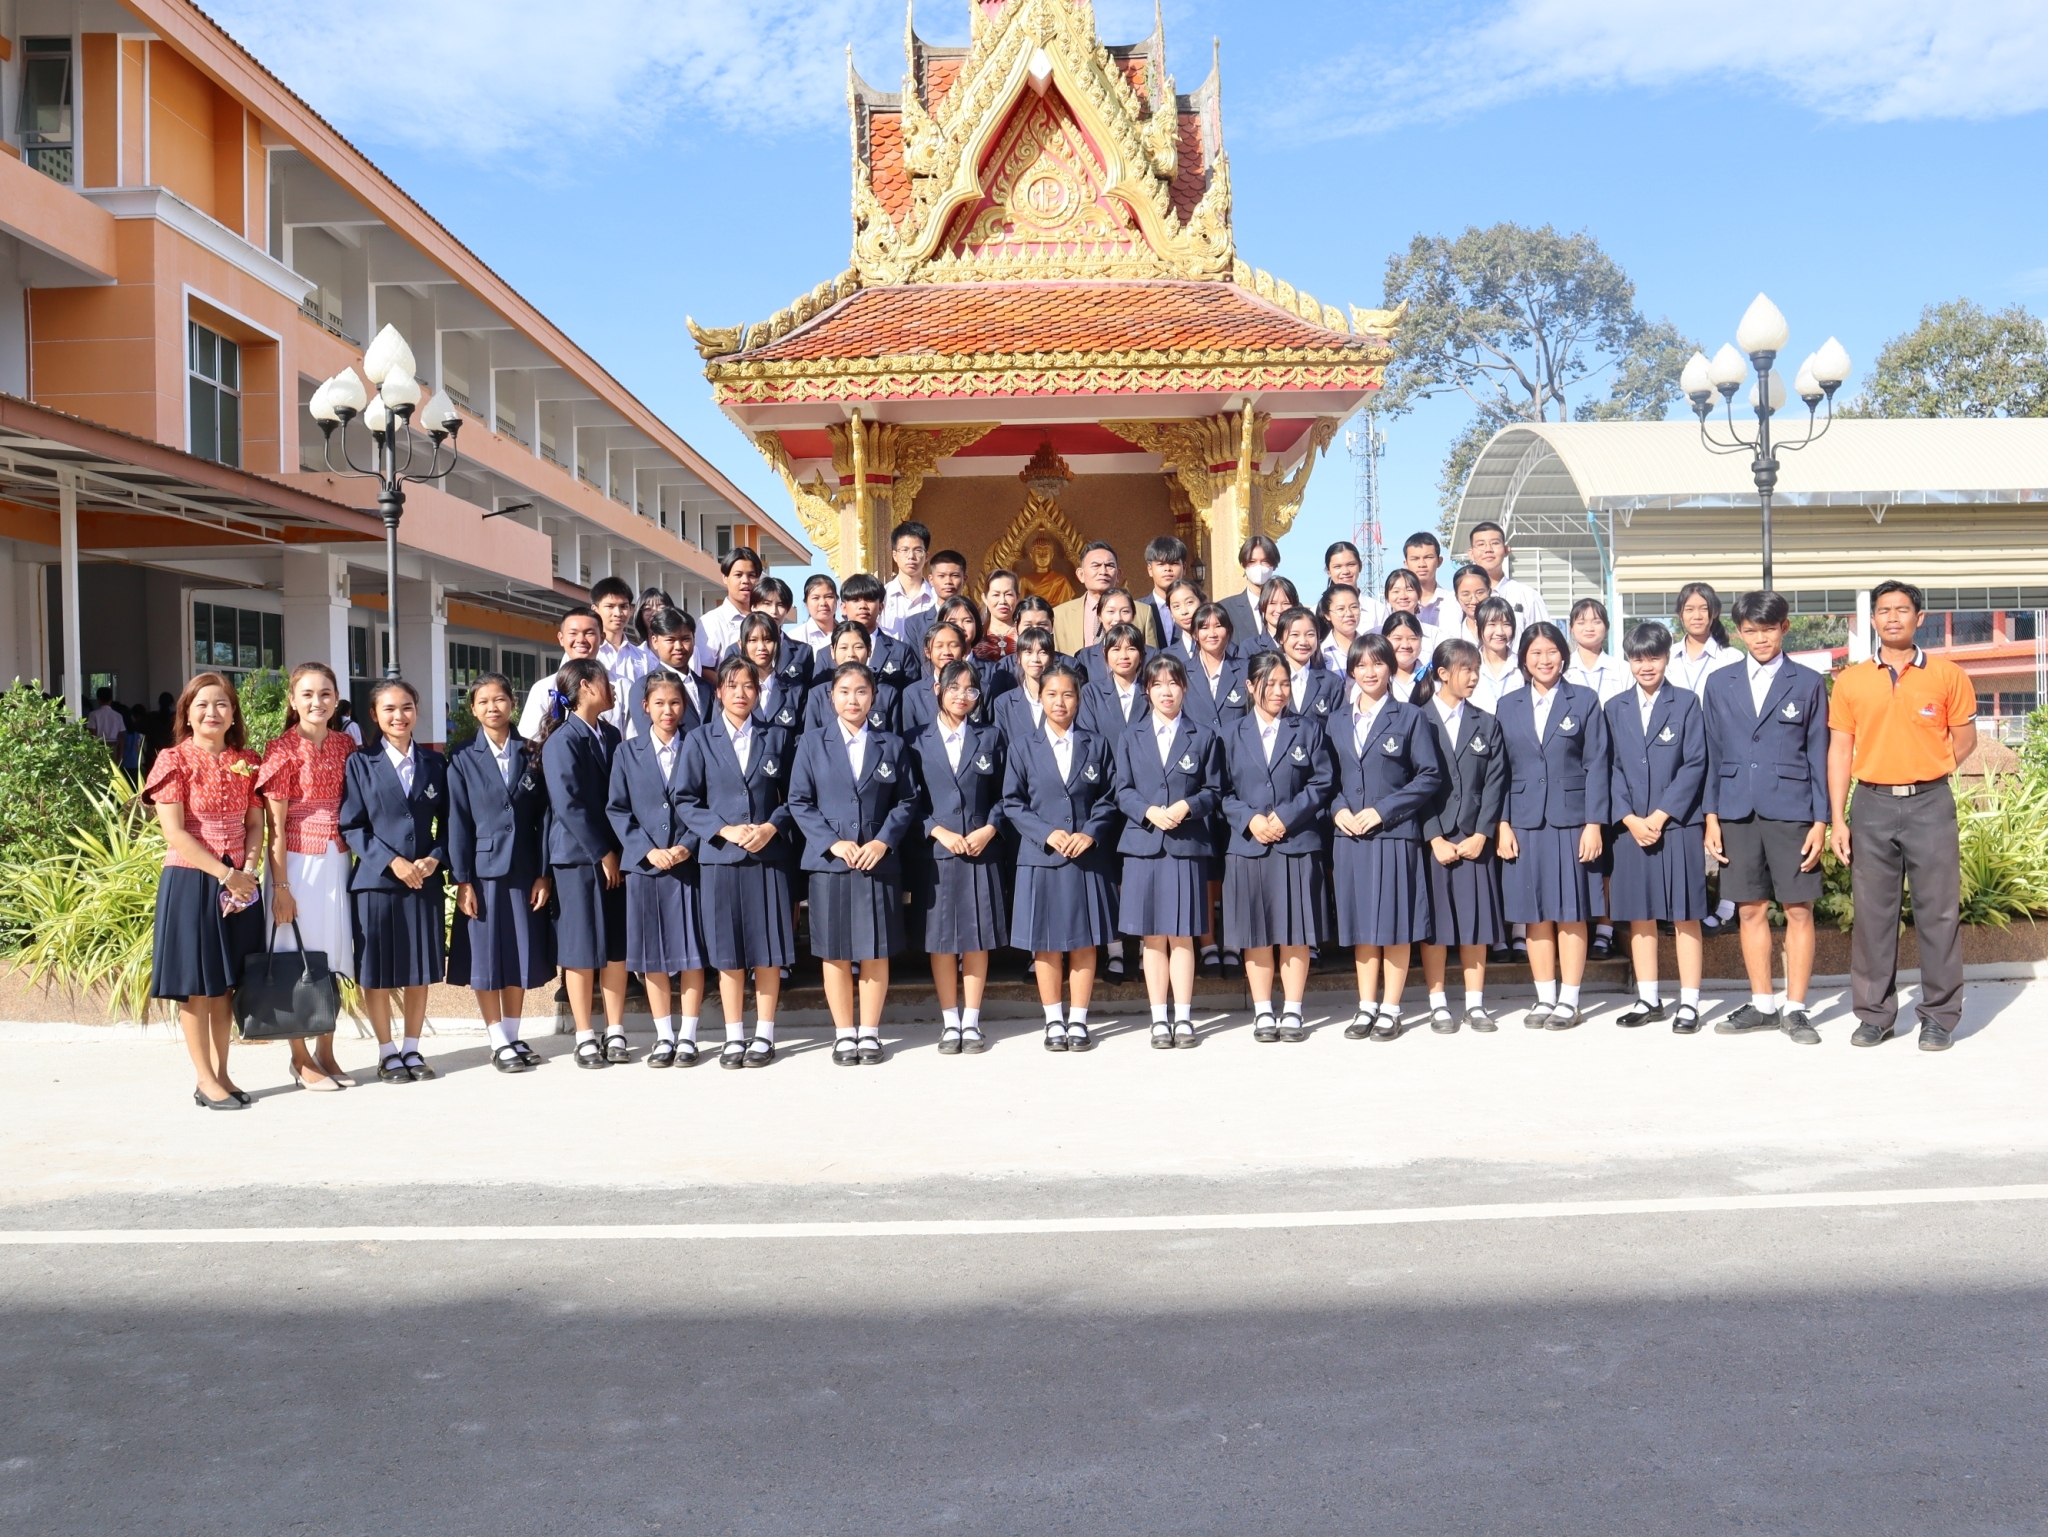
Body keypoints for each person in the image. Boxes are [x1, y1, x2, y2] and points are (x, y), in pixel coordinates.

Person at [1828, 580, 1977, 1053]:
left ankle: (1939, 1017)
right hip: (1870, 805)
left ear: (1919, 617)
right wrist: (1838, 819)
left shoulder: (1948, 675)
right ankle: (1875, 1016)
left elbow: (1965, 739)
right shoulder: (1851, 681)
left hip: (1930, 804)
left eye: (1902, 609)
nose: (1892, 617)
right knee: (1873, 916)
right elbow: (1840, 751)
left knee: (1939, 913)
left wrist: (1928, 768)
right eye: (1884, 610)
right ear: (1872, 619)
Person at [1702, 590, 1832, 1043]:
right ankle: (1762, 1004)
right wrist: (1711, 815)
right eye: (1751, 631)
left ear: (1784, 628)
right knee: (1750, 909)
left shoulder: (1808, 682)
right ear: (1739, 632)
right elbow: (1711, 754)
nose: (1760, 638)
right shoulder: (1719, 683)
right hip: (1736, 810)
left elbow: (1819, 754)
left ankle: (1795, 1009)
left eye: (1769, 629)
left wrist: (1821, 821)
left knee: (1798, 909)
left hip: (1793, 810)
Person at [145, 672, 267, 1110]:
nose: (212, 712)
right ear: (187, 714)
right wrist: (224, 874)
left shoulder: (248, 760)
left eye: (221, 704)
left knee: (226, 985)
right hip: (193, 880)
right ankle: (204, 1078)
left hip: (240, 883)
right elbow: (174, 833)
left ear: (233, 714)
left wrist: (246, 872)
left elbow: (256, 824)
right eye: (202, 704)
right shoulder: (173, 760)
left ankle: (223, 1073)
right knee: (198, 985)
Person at [790, 661, 921, 1065]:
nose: (853, 699)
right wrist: (832, 843)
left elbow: (907, 800)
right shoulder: (812, 743)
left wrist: (883, 841)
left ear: (873, 697)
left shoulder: (891, 744)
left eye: (861, 691)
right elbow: (799, 801)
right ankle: (844, 1033)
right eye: (845, 691)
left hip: (877, 862)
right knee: (835, 951)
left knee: (876, 949)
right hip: (831, 864)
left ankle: (870, 1032)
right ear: (831, 697)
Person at [676, 655, 795, 1060]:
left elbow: (795, 797)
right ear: (718, 691)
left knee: (767, 950)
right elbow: (685, 799)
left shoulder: (777, 737)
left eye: (749, 685)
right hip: (720, 859)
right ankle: (733, 1034)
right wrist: (723, 829)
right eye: (732, 685)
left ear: (758, 691)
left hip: (767, 858)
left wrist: (771, 827)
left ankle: (764, 1033)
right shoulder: (699, 740)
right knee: (728, 952)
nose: (740, 693)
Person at [1329, 632, 1444, 1042]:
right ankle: (1366, 1006)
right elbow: (1328, 779)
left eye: (1377, 663)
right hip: (1350, 838)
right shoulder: (1337, 719)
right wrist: (1338, 809)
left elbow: (1429, 775)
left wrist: (1383, 810)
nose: (1369, 671)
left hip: (1394, 834)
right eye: (1361, 665)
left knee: (1395, 922)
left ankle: (1391, 1008)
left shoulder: (1410, 717)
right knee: (1362, 924)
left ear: (1391, 668)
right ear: (1351, 671)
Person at [1495, 621, 1608, 1030]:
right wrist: (1501, 823)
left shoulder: (1585, 700)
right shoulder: (1507, 705)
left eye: (1552, 651)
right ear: (1524, 659)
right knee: (1535, 913)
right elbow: (1499, 771)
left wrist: (1594, 823)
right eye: (1535, 653)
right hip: (1524, 822)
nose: (1544, 660)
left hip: (1572, 821)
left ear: (1564, 655)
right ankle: (1544, 997)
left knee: (1571, 911)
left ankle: (1570, 1000)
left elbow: (1598, 764)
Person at [1002, 660, 1119, 1053]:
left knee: (1085, 942)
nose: (1060, 702)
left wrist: (1090, 832)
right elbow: (1012, 802)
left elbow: (1108, 797)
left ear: (1078, 699)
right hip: (1041, 858)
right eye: (1052, 694)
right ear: (1040, 697)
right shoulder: (1022, 747)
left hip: (1086, 858)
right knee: (1046, 943)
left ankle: (1080, 1019)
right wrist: (1046, 833)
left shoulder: (1096, 744)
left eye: (1068, 694)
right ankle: (1054, 1020)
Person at [338, 677, 449, 1082]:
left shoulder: (435, 763)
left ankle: (412, 1049)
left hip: (424, 882)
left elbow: (452, 824)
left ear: (416, 711)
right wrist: (392, 862)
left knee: (419, 968)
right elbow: (352, 826)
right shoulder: (359, 763)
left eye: (406, 707)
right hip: (376, 883)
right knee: (377, 971)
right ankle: (387, 1052)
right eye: (389, 709)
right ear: (374, 714)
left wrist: (435, 858)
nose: (399, 716)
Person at [1221, 649, 1333, 1042]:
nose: (1278, 691)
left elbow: (1322, 783)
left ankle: (1294, 1010)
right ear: (1250, 687)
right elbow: (1220, 790)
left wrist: (1287, 816)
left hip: (1296, 843)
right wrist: (1249, 818)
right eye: (1269, 684)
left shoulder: (1308, 730)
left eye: (1285, 683)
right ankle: (1263, 1010)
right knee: (1256, 932)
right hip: (1249, 846)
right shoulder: (1230, 734)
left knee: (1296, 932)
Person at [257, 662, 357, 1091]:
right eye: (308, 694)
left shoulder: (346, 743)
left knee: (331, 959)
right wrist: (281, 888)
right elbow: (274, 828)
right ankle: (300, 1058)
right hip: (297, 864)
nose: (318, 702)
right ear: (293, 701)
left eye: (325, 693)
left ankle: (326, 1051)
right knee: (294, 958)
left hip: (338, 860)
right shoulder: (280, 750)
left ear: (336, 699)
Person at [447, 673, 554, 1073]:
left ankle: (512, 1033)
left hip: (525, 868)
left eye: (500, 699)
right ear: (473, 709)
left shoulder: (533, 753)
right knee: (486, 957)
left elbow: (546, 817)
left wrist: (544, 873)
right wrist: (462, 880)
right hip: (483, 872)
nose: (493, 707)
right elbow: (457, 822)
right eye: (483, 701)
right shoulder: (461, 758)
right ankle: (496, 1039)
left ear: (513, 703)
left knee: (519, 952)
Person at [1605, 624, 1709, 1032]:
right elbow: (1608, 767)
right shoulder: (1614, 708)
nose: (1646, 666)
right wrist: (1630, 818)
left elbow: (1695, 763)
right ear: (1628, 661)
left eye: (1654, 657)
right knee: (1640, 914)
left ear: (1667, 657)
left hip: (1677, 825)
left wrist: (1661, 815)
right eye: (1637, 658)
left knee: (1685, 913)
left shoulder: (1686, 703)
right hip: (1630, 827)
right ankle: (1648, 998)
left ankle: (1690, 1002)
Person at [1113, 653, 1221, 1048]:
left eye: (1173, 683)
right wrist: (1148, 812)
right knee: (1154, 938)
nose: (1166, 691)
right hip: (1144, 847)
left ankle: (1185, 1016)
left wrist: (1187, 806)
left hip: (1185, 847)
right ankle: (1159, 1018)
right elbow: (1121, 790)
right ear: (1147, 690)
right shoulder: (1131, 736)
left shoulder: (1203, 736)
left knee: (1182, 936)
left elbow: (1214, 790)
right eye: (1157, 684)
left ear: (1184, 687)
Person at [607, 671, 711, 1067]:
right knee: (653, 955)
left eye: (676, 703)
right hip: (645, 868)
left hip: (688, 866)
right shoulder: (626, 752)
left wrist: (688, 845)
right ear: (645, 707)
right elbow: (617, 809)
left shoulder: (698, 745)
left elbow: (708, 802)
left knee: (691, 954)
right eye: (660, 703)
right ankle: (664, 1035)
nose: (668, 710)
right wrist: (647, 850)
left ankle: (688, 1036)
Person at [536, 658, 629, 1069]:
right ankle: (585, 1035)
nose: (613, 688)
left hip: (614, 854)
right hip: (578, 858)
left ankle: (616, 1029)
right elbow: (568, 805)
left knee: (615, 946)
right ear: (587, 686)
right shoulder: (562, 740)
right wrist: (602, 852)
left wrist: (618, 850)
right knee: (580, 947)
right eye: (607, 681)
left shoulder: (610, 734)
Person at [911, 659, 1008, 1055]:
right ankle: (950, 1021)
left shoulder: (991, 736)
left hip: (981, 851)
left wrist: (990, 828)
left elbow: (1007, 794)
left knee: (976, 938)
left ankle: (972, 1020)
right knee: (941, 941)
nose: (962, 696)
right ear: (938, 689)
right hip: (937, 854)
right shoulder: (915, 740)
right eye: (954, 687)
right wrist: (938, 831)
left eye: (970, 689)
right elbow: (908, 801)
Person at [1419, 639, 1508, 1031]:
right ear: (1442, 673)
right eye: (1465, 669)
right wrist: (1434, 837)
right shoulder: (1417, 720)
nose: (1473, 676)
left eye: (1476, 669)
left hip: (1474, 838)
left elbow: (1495, 784)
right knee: (1436, 926)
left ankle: (1475, 1003)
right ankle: (1438, 1002)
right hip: (1434, 840)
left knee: (1476, 922)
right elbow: (1411, 785)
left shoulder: (1486, 723)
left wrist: (1482, 834)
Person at [1054, 542, 1162, 654]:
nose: (1103, 572)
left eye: (1109, 565)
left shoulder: (1143, 612)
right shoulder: (1059, 615)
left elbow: (1152, 659)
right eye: (1096, 565)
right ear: (1081, 574)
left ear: (1118, 574)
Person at [517, 605, 605, 738]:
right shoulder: (543, 688)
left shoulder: (621, 685)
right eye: (573, 633)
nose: (581, 640)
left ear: (602, 638)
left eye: (589, 633)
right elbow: (531, 740)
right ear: (561, 638)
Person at [805, 621, 900, 736]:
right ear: (832, 651)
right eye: (843, 648)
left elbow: (894, 741)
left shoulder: (888, 694)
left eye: (858, 647)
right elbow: (811, 740)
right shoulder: (817, 695)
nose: (851, 654)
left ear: (869, 650)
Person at [631, 607, 713, 737]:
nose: (679, 647)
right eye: (670, 640)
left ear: (694, 638)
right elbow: (649, 737)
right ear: (655, 641)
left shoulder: (707, 687)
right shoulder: (643, 687)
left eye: (685, 639)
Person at [590, 575, 654, 736]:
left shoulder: (643, 658)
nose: (618, 613)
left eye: (623, 606)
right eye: (610, 606)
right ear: (595, 610)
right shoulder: (587, 655)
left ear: (631, 610)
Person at [1465, 521, 1551, 633]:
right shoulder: (1457, 599)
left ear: (1506, 550)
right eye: (1481, 544)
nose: (1488, 549)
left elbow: (1544, 636)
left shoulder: (1527, 596)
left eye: (1495, 543)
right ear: (1471, 554)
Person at [839, 571, 922, 684]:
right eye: (855, 599)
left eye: (869, 599)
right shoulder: (826, 653)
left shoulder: (901, 651)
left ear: (881, 607)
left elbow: (911, 692)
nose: (863, 606)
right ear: (843, 608)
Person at [1079, 621, 1152, 747]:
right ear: (1105, 653)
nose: (1123, 656)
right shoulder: (1092, 693)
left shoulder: (1151, 691)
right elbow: (1087, 739)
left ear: (1141, 654)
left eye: (1131, 649)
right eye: (1116, 649)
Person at [698, 546, 763, 680]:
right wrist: (735, 686)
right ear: (725, 578)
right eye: (738, 575)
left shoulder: (765, 619)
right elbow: (703, 670)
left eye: (751, 575)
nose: (745, 581)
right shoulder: (711, 621)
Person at [737, 612, 802, 735]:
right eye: (753, 640)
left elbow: (802, 738)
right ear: (741, 644)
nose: (761, 647)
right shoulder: (730, 692)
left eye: (768, 640)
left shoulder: (796, 691)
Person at [1277, 607, 1346, 722]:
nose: (1303, 642)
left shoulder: (1331, 682)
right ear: (1280, 638)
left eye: (1310, 634)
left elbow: (1340, 726)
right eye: (1295, 634)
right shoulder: (1268, 679)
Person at [993, 627, 1057, 744]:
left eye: (1042, 652)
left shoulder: (1062, 700)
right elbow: (1002, 747)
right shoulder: (1004, 703)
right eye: (1028, 652)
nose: (1035, 659)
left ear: (1051, 658)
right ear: (1018, 657)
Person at [900, 547, 968, 655]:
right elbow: (912, 662)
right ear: (931, 579)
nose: (948, 581)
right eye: (941, 576)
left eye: (954, 575)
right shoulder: (915, 624)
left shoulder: (974, 621)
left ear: (964, 579)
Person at [1073, 587, 1146, 685]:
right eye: (1111, 611)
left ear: (1133, 615)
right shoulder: (1084, 657)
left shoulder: (1152, 654)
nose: (1118, 618)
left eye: (1125, 611)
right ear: (1099, 616)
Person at [1217, 535, 1281, 645]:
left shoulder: (1290, 608)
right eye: (1252, 561)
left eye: (1265, 561)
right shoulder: (1225, 609)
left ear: (1274, 565)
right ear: (1243, 565)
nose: (1259, 567)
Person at [880, 520, 936, 639]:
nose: (911, 556)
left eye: (918, 550)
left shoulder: (936, 597)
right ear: (895, 555)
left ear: (926, 556)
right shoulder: (883, 596)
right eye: (904, 550)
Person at [1471, 596, 1523, 714]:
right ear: (1477, 625)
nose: (1500, 632)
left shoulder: (1522, 667)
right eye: (1492, 624)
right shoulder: (1468, 666)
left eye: (1506, 624)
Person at [1141, 535, 1189, 649]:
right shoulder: (1138, 610)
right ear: (1150, 569)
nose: (1167, 569)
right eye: (1161, 564)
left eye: (1174, 563)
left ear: (1184, 567)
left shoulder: (1197, 609)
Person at [1404, 531, 1450, 633]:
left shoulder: (1451, 601)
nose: (1422, 564)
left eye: (1428, 557)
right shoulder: (1396, 604)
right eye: (1415, 559)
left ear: (1439, 561)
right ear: (1406, 563)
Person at [1019, 534, 1078, 608]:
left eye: (1046, 553)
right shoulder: (1024, 580)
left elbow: (1069, 606)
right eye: (1038, 553)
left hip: (1057, 614)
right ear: (1031, 556)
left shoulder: (1061, 580)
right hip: (1036, 613)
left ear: (1052, 555)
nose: (1042, 557)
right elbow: (1018, 606)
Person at [1382, 612, 1429, 703]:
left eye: (1413, 638)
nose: (1405, 645)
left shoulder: (1434, 678)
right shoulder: (1374, 678)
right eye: (1397, 638)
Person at [1318, 585, 1364, 674]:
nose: (1349, 614)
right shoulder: (1319, 652)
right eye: (1340, 609)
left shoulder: (1371, 648)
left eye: (1354, 607)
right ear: (1327, 615)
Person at [981, 569, 1022, 659]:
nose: (1002, 601)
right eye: (996, 595)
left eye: (1008, 594)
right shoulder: (977, 634)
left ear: (1017, 598)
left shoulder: (1024, 632)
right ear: (985, 598)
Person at [1165, 579, 1207, 666]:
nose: (1184, 611)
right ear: (1170, 612)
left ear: (1202, 602)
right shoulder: (1166, 657)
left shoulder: (1227, 649)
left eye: (1189, 602)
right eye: (1176, 606)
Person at [798, 573, 840, 655]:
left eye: (828, 597)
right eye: (815, 598)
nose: (823, 603)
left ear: (836, 600)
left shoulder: (848, 633)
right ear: (806, 603)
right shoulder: (796, 636)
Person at [1449, 564, 1491, 644]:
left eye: (1479, 593)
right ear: (1457, 597)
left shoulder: (1503, 630)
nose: (1474, 601)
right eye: (1466, 594)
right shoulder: (1452, 634)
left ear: (1489, 592)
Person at [88, 686, 124, 755]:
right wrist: (120, 755)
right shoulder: (118, 716)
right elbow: (121, 737)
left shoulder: (93, 714)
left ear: (98, 700)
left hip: (98, 746)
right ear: (111, 700)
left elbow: (92, 734)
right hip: (113, 746)